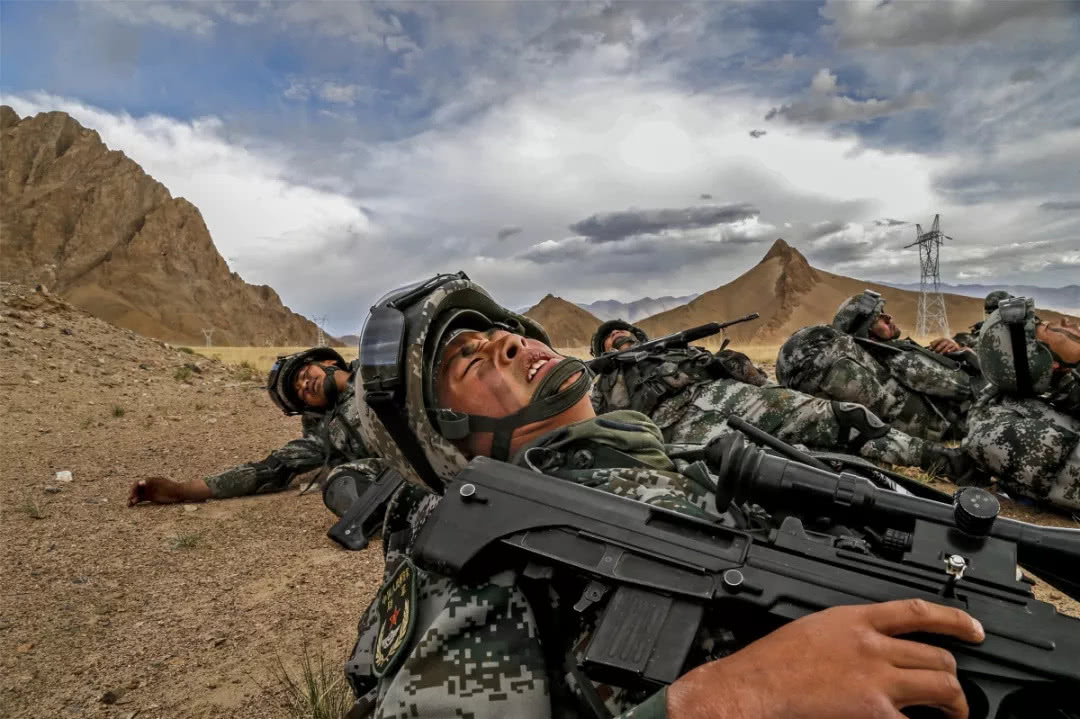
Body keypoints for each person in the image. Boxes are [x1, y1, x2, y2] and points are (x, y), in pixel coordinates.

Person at [343, 272, 983, 719]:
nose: (507, 342)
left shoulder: (686, 462)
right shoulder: (485, 543)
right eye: (468, 359)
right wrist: (733, 701)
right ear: (445, 438)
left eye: (499, 330)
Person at [590, 308, 974, 479]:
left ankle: (945, 461)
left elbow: (756, 379)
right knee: (781, 469)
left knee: (842, 418)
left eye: (619, 330)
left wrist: (731, 364)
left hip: (731, 395)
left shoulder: (681, 350)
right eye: (606, 338)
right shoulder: (599, 384)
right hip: (677, 431)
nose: (615, 336)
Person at [128, 347, 379, 507]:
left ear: (326, 360)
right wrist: (181, 490)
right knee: (340, 482)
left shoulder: (378, 361)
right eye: (300, 394)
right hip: (407, 466)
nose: (304, 386)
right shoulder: (325, 433)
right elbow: (270, 469)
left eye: (303, 375)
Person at [776, 289, 984, 443]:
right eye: (879, 318)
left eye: (885, 312)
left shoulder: (876, 360)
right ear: (867, 332)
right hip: (967, 423)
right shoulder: (893, 358)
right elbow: (968, 386)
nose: (889, 318)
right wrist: (967, 357)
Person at [964, 297, 1080, 510]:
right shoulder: (1001, 425)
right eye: (1048, 328)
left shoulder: (1068, 390)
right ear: (1050, 362)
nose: (1065, 321)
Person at [591, 319, 770, 387]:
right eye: (608, 335)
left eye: (620, 330)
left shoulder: (671, 349)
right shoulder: (604, 383)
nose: (615, 333)